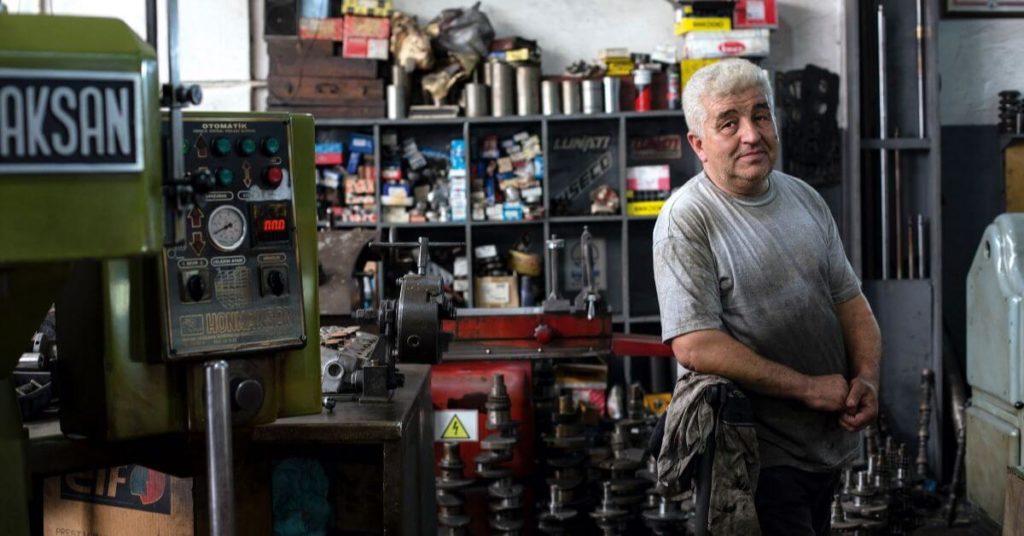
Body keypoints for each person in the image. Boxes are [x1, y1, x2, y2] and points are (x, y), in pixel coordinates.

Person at [652, 58, 882, 536]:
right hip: (753, 459)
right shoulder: (686, 220)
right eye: (729, 123)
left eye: (760, 115)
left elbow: (851, 303)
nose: (751, 134)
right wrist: (808, 388)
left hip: (826, 445)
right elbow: (694, 345)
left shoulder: (804, 198)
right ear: (699, 144)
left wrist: (867, 377)